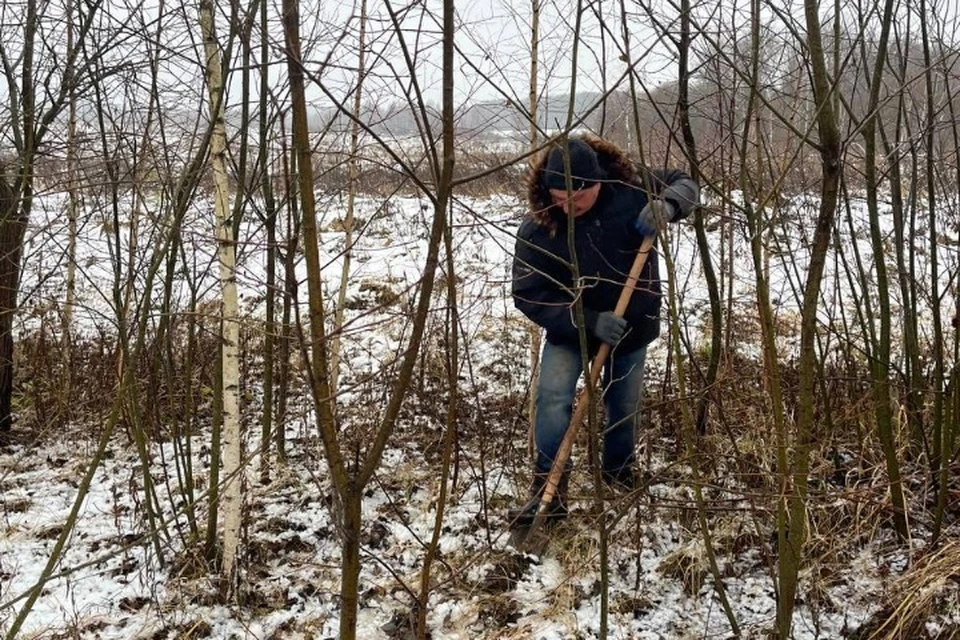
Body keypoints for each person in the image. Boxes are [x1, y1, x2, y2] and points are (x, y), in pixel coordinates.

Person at [509, 134, 699, 526]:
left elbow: (687, 182)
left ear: (597, 183)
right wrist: (586, 320)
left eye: (577, 197)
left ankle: (618, 472)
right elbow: (530, 293)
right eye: (559, 196)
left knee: (623, 405)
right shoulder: (539, 227)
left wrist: (668, 204)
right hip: (571, 331)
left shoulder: (629, 187)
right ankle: (549, 487)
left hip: (631, 326)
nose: (567, 205)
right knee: (552, 399)